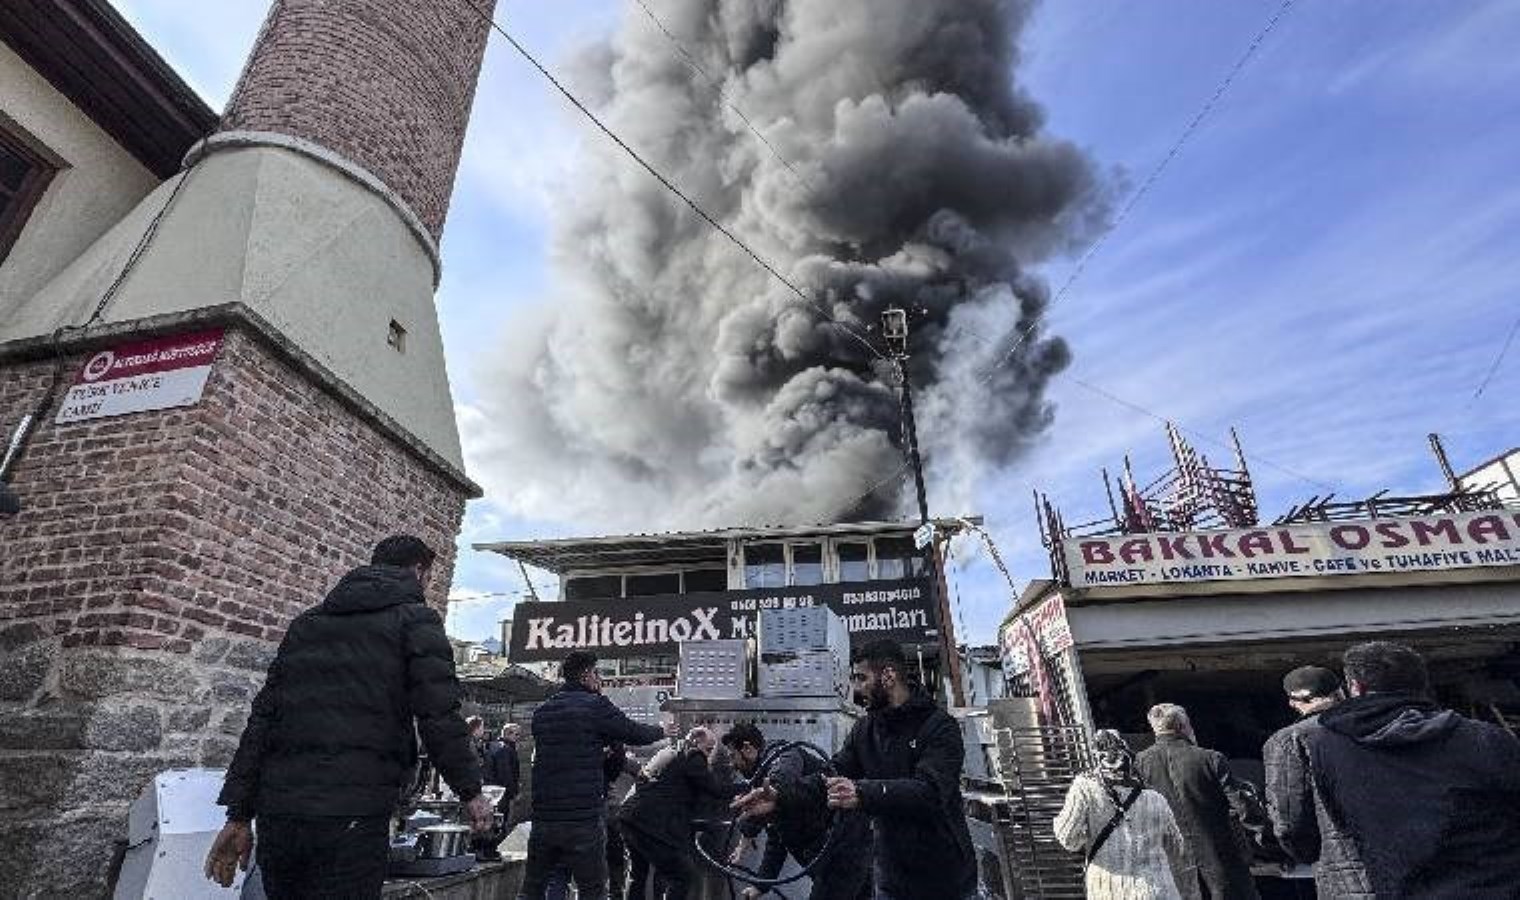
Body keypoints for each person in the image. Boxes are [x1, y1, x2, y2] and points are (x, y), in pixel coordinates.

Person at [203, 535, 491, 897]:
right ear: (419, 571)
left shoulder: (305, 625)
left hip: (281, 814)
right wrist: (471, 791)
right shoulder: (416, 620)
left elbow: (263, 720)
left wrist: (239, 814)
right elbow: (439, 715)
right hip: (353, 812)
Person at [1271, 641, 1520, 897]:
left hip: (1387, 886)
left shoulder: (1324, 748)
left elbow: (1298, 829)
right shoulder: (1487, 739)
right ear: (1422, 684)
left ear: (1355, 688)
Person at [750, 638, 975, 900]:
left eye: (861, 677)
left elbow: (931, 792)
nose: (856, 688)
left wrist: (862, 792)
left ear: (888, 676)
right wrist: (781, 796)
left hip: (944, 879)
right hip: (890, 877)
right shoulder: (865, 730)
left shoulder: (939, 726)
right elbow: (831, 774)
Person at [518, 650, 675, 900]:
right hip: (582, 818)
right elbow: (631, 731)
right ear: (586, 675)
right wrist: (663, 730)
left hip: (544, 817)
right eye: (597, 673)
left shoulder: (542, 712)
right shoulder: (595, 705)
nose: (599, 679)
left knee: (534, 888)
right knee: (592, 890)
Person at [723, 721, 869, 900]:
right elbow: (778, 837)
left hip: (845, 852)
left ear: (747, 748)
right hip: (832, 859)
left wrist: (753, 822)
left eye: (732, 756)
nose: (731, 764)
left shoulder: (784, 754)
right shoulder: (761, 779)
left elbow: (782, 778)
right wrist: (760, 886)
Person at [1135, 704, 1261, 900]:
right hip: (1221, 859)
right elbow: (1242, 807)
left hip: (1171, 864)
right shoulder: (1210, 758)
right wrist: (1263, 836)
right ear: (1183, 725)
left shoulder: (1140, 764)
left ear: (1155, 728)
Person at [1054, 729, 1190, 899]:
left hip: (1111, 891)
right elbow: (1177, 848)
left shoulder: (1084, 788)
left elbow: (1068, 838)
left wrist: (1087, 835)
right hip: (1159, 890)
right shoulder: (1156, 798)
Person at [1261, 666, 1357, 893]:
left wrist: (1310, 855)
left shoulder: (1288, 741)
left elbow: (1289, 822)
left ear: (1293, 702)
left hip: (1343, 868)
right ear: (1341, 692)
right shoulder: (1381, 724)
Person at [619, 726, 736, 900]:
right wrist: (749, 786)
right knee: (681, 875)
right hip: (650, 823)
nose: (709, 755)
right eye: (709, 749)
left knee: (639, 875)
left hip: (631, 817)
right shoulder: (694, 756)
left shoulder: (672, 753)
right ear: (697, 742)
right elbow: (715, 789)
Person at [476, 722, 524, 861]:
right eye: (516, 734)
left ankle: (487, 850)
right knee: (498, 822)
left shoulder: (493, 746)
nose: (518, 737)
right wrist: (514, 792)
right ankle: (490, 851)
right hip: (499, 792)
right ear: (508, 733)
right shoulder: (505, 749)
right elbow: (506, 774)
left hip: (489, 790)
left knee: (490, 821)